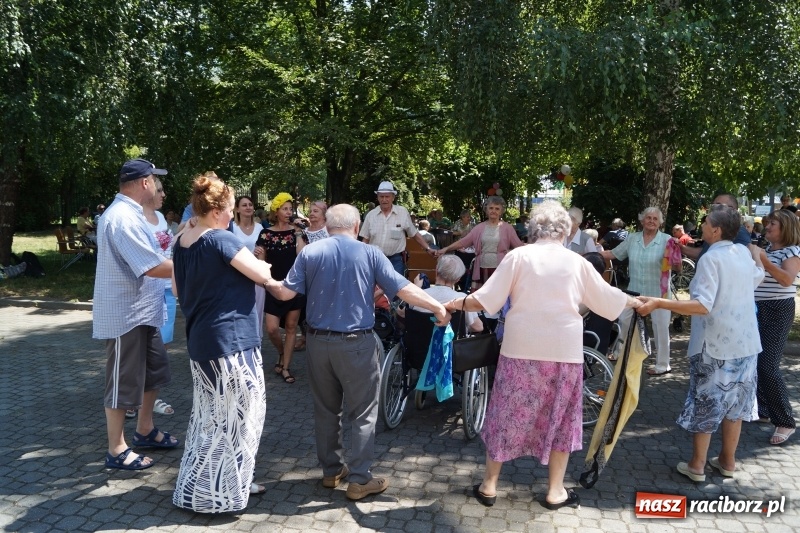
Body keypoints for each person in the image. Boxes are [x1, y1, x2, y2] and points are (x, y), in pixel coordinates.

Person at [441, 200, 640, 509]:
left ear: (534, 229)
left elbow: (487, 298)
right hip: (563, 351)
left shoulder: (519, 256)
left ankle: (490, 484)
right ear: (565, 230)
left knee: (506, 413)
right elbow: (606, 300)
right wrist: (637, 302)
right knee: (560, 418)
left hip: (520, 348)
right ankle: (555, 490)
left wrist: (455, 303)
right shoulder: (576, 262)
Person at [264, 204, 450, 501]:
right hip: (355, 343)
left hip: (317, 342)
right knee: (363, 412)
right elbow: (402, 289)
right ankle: (360, 479)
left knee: (326, 410)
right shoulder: (370, 253)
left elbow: (285, 292)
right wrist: (437, 306)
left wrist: (261, 276)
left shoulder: (311, 252)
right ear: (357, 224)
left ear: (327, 225)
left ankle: (331, 471)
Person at [636, 206, 764, 481]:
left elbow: (702, 305)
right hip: (746, 341)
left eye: (705, 223)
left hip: (715, 343)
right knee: (735, 405)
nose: (702, 226)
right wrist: (757, 257)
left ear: (716, 230)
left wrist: (660, 302)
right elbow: (757, 277)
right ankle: (728, 461)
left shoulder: (711, 258)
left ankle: (697, 464)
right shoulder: (740, 252)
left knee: (707, 402)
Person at [171, 176, 272, 513]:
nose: (232, 216)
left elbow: (176, 291)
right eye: (229, 210)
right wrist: (266, 268)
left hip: (202, 343)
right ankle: (224, 495)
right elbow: (261, 275)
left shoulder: (181, 240)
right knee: (242, 418)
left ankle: (197, 489)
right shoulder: (220, 239)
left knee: (209, 419)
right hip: (232, 344)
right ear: (216, 211)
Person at [93, 158, 177, 471]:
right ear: (144, 182)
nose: (157, 186)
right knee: (122, 382)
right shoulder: (121, 218)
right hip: (124, 315)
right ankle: (116, 448)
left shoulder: (134, 214)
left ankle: (144, 430)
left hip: (144, 310)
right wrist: (199, 265)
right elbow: (152, 266)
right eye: (155, 180)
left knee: (152, 372)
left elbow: (157, 256)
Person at [601, 207, 680, 375]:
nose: (651, 221)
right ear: (642, 220)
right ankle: (619, 353)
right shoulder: (633, 238)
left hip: (659, 293)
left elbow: (677, 266)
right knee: (624, 320)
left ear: (660, 222)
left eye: (655, 219)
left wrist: (676, 254)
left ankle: (663, 365)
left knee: (661, 328)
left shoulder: (667, 240)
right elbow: (614, 254)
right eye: (648, 218)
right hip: (635, 291)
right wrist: (592, 254)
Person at [752, 209, 800, 445]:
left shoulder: (792, 251)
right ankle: (762, 409)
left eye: (772, 224)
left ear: (786, 228)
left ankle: (786, 422)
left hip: (778, 309)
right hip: (758, 308)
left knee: (767, 364)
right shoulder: (769, 250)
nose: (767, 227)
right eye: (767, 223)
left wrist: (762, 260)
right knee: (755, 359)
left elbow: (786, 280)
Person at [253, 192, 306, 384]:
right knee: (272, 329)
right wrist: (258, 254)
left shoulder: (296, 233)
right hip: (273, 286)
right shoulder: (266, 234)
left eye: (290, 209)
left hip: (294, 285)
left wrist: (299, 232)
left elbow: (301, 255)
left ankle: (286, 367)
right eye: (285, 209)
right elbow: (261, 261)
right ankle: (282, 352)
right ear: (276, 211)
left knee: (291, 327)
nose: (289, 212)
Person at [137, 176, 176, 418]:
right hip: (147, 291)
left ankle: (146, 397)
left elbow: (169, 249)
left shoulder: (160, 218)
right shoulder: (137, 220)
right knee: (144, 348)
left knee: (162, 345)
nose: (163, 195)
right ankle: (137, 399)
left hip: (167, 289)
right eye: (159, 190)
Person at [435, 196, 524, 290]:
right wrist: (446, 249)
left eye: (497, 209)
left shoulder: (507, 228)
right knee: (480, 298)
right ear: (486, 210)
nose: (493, 211)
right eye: (491, 208)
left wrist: (535, 247)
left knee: (498, 298)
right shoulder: (479, 228)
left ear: (501, 211)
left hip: (500, 269)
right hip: (481, 269)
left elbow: (519, 246)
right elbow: (463, 242)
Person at [360, 181, 436, 275]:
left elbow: (414, 234)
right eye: (381, 196)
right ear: (378, 198)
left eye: (387, 196)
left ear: (393, 197)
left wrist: (428, 249)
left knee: (396, 288)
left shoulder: (402, 212)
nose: (384, 199)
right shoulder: (371, 215)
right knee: (375, 288)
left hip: (396, 260)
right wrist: (361, 257)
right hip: (375, 259)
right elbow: (365, 239)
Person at [408, 255, 483, 332]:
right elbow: (478, 327)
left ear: (436, 271)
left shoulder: (416, 296)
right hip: (451, 343)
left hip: (418, 342)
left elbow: (401, 312)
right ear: (458, 279)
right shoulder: (462, 299)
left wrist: (416, 289)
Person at [451, 209, 477, 288]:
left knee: (471, 260)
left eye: (469, 217)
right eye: (467, 217)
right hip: (459, 246)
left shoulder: (472, 224)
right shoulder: (458, 223)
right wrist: (459, 233)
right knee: (461, 262)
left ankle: (468, 281)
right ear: (462, 217)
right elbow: (451, 232)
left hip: (470, 246)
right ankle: (460, 281)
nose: (469, 218)